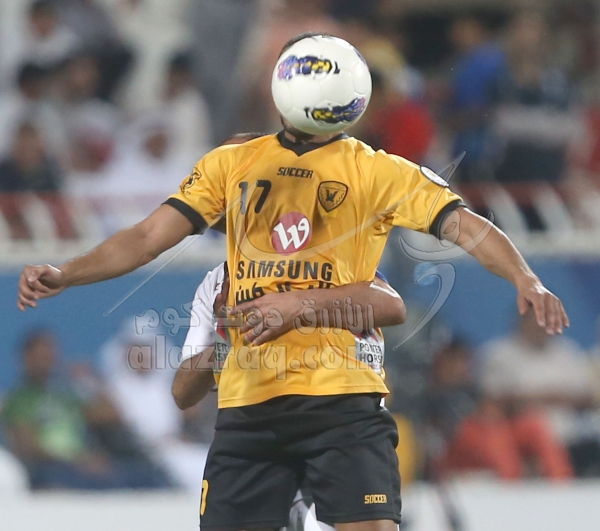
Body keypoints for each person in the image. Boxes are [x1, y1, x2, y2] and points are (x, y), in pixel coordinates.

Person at [17, 33, 568, 531]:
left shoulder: (376, 170)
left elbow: (462, 228)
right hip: (249, 406)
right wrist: (67, 273)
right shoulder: (231, 169)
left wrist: (526, 277)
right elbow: (145, 237)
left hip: (342, 400)